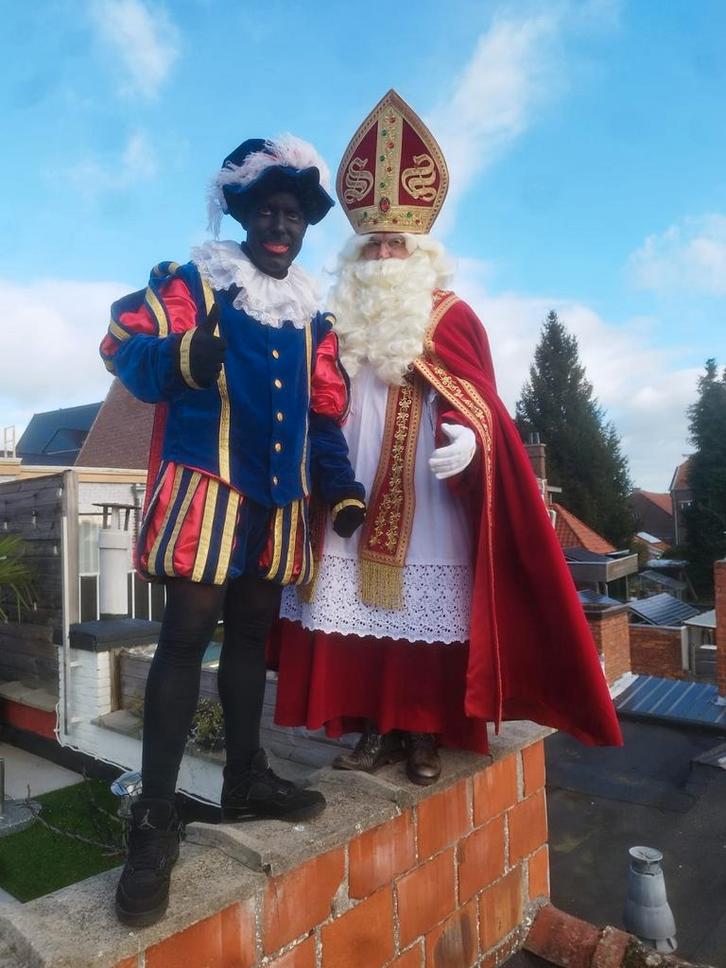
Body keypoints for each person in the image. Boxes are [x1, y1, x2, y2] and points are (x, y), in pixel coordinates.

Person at [271, 90, 622, 787]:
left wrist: (473, 441)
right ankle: (370, 725)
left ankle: (424, 732)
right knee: (356, 612)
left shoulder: (454, 315)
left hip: (429, 491)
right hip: (350, 487)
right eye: (373, 243)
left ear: (422, 251)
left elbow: (483, 400)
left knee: (421, 616)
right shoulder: (331, 317)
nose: (384, 252)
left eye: (396, 242)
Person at [100, 135, 365, 927]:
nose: (281, 225)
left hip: (278, 500)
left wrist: (343, 488)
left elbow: (323, 416)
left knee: (252, 636)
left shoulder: (311, 315)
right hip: (208, 484)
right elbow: (121, 344)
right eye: (268, 211)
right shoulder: (196, 283)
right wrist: (182, 355)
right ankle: (152, 821)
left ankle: (245, 779)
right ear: (244, 214)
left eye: (294, 214)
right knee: (185, 639)